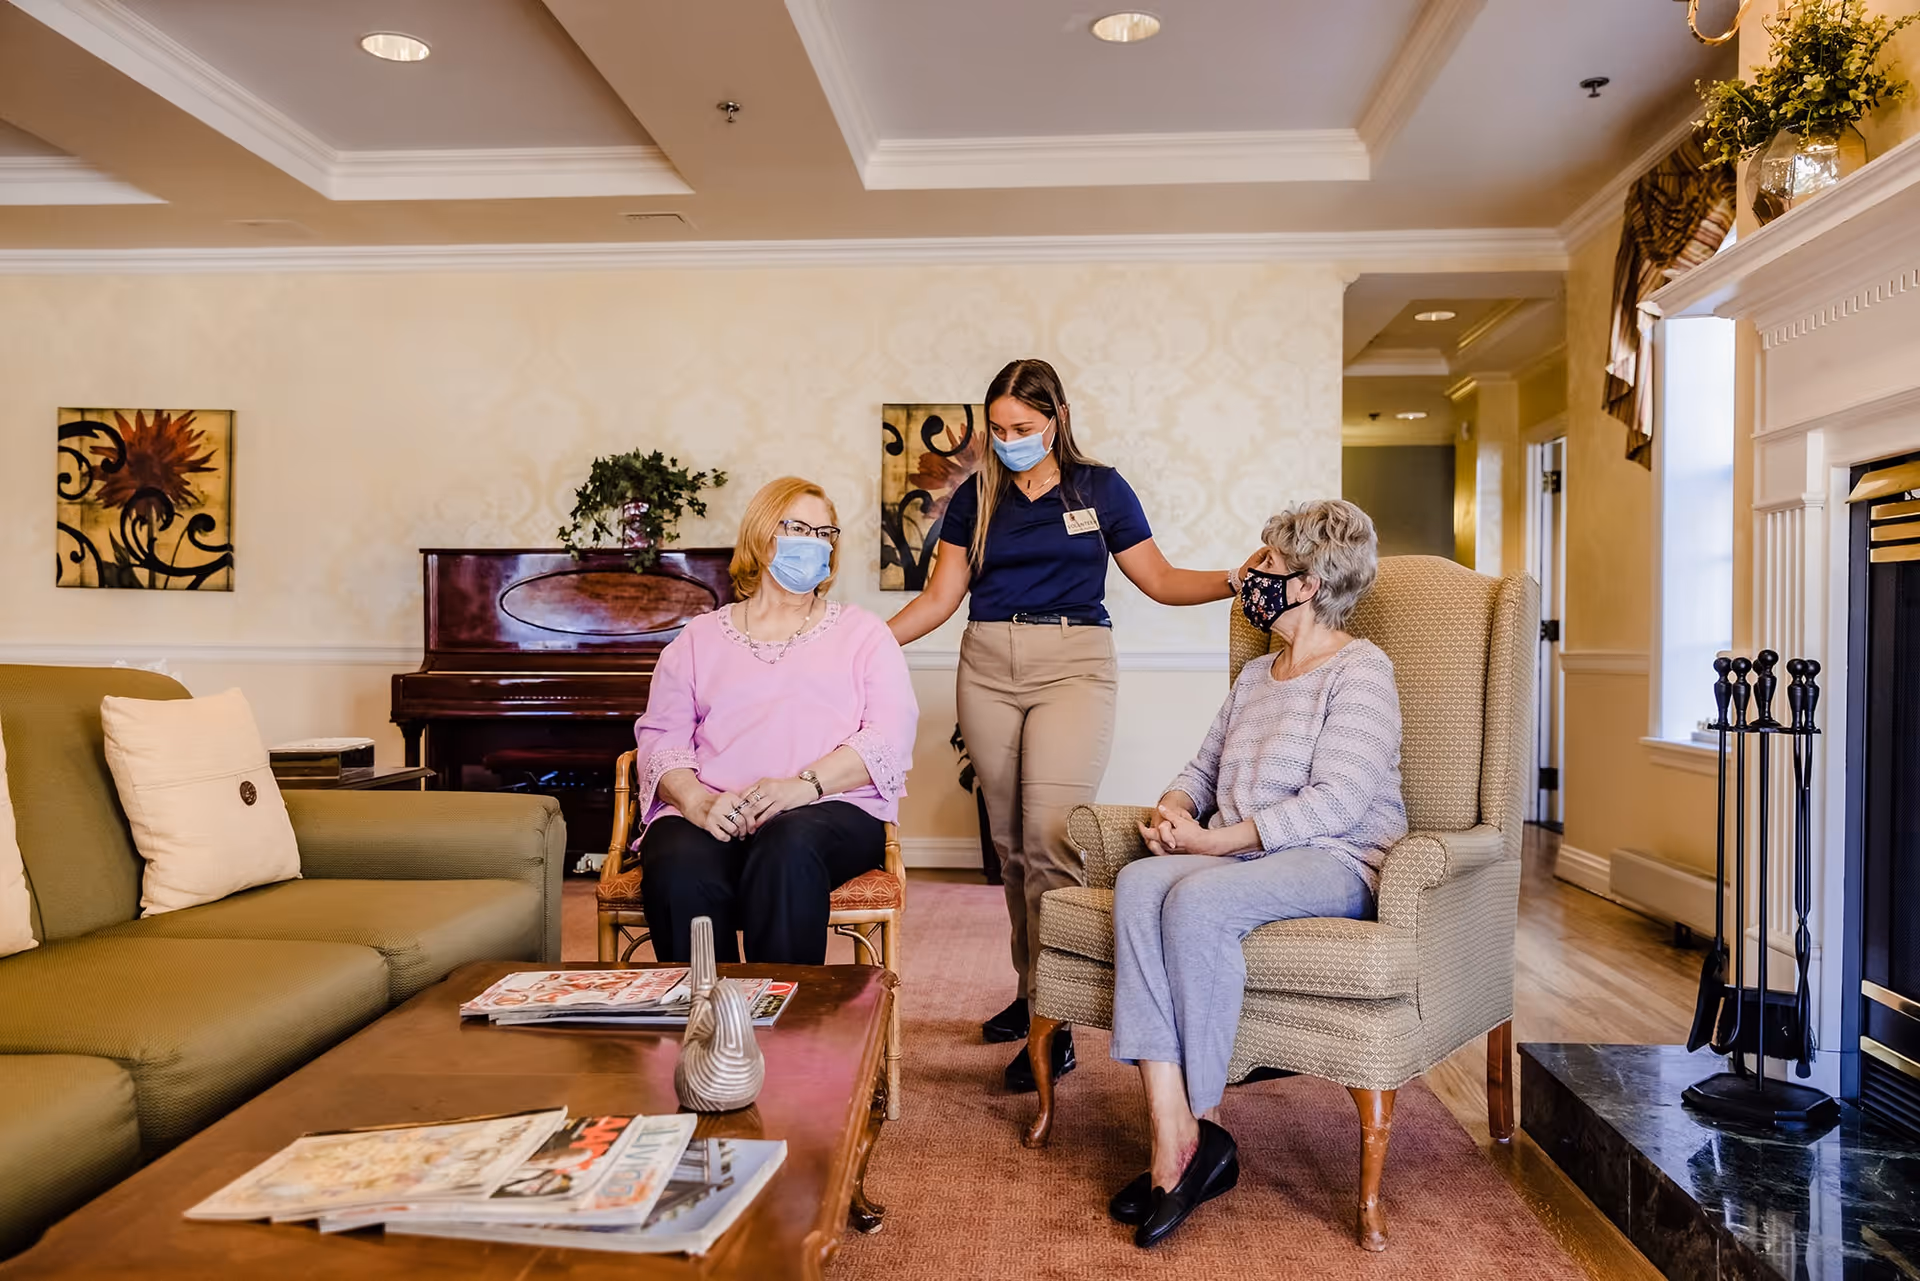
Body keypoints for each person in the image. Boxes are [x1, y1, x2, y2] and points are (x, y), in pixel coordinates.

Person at [887, 357, 1255, 1092]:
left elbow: (1157, 577)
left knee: (1052, 841)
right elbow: (938, 598)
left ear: (1054, 418)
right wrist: (855, 644)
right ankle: (1032, 996)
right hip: (987, 661)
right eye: (996, 428)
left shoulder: (1100, 488)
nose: (1008, 438)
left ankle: (1055, 1031)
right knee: (1010, 849)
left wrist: (1234, 579)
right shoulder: (976, 494)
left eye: (1022, 427)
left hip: (1074, 663)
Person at [1104, 498, 1407, 1248]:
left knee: (1199, 901)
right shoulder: (1254, 674)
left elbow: (1338, 801)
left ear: (1310, 582)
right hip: (1249, 855)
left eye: (1269, 563)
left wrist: (1212, 846)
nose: (1253, 575)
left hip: (1337, 858)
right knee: (1140, 881)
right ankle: (1174, 1132)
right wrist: (1175, 811)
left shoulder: (1361, 670)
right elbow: (1201, 768)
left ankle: (1197, 1129)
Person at [632, 476, 918, 964]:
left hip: (829, 809)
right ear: (763, 538)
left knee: (788, 843)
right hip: (715, 806)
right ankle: (708, 1021)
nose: (816, 543)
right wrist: (699, 802)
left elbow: (888, 738)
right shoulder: (699, 639)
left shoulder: (864, 634)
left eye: (827, 533)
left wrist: (800, 787)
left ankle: (783, 1024)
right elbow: (662, 739)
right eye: (800, 528)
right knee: (676, 858)